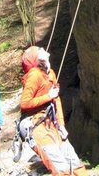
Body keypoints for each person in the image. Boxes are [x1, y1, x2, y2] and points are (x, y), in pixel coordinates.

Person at [20, 46, 87, 176]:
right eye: (40, 50)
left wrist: (61, 125)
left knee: (74, 161)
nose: (44, 50)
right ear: (36, 59)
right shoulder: (35, 75)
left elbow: (56, 100)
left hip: (53, 124)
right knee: (60, 167)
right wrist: (47, 96)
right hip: (38, 127)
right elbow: (25, 103)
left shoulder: (50, 73)